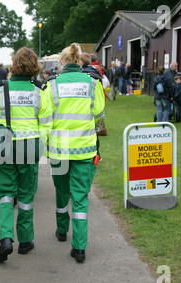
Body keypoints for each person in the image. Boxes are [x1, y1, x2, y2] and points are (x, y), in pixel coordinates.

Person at [0, 47, 53, 262]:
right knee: (26, 196)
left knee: (5, 194)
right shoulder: (40, 91)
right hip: (30, 147)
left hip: (4, 147)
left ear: (14, 63)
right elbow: (47, 124)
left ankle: (5, 238)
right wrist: (38, 144)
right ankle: (25, 241)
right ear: (35, 66)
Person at [44, 43, 105, 262]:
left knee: (61, 191)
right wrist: (98, 133)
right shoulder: (93, 83)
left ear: (61, 62)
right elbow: (99, 115)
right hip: (85, 148)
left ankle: (62, 231)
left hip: (60, 150)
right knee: (79, 197)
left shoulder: (51, 85)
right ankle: (79, 247)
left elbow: (45, 119)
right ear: (79, 61)